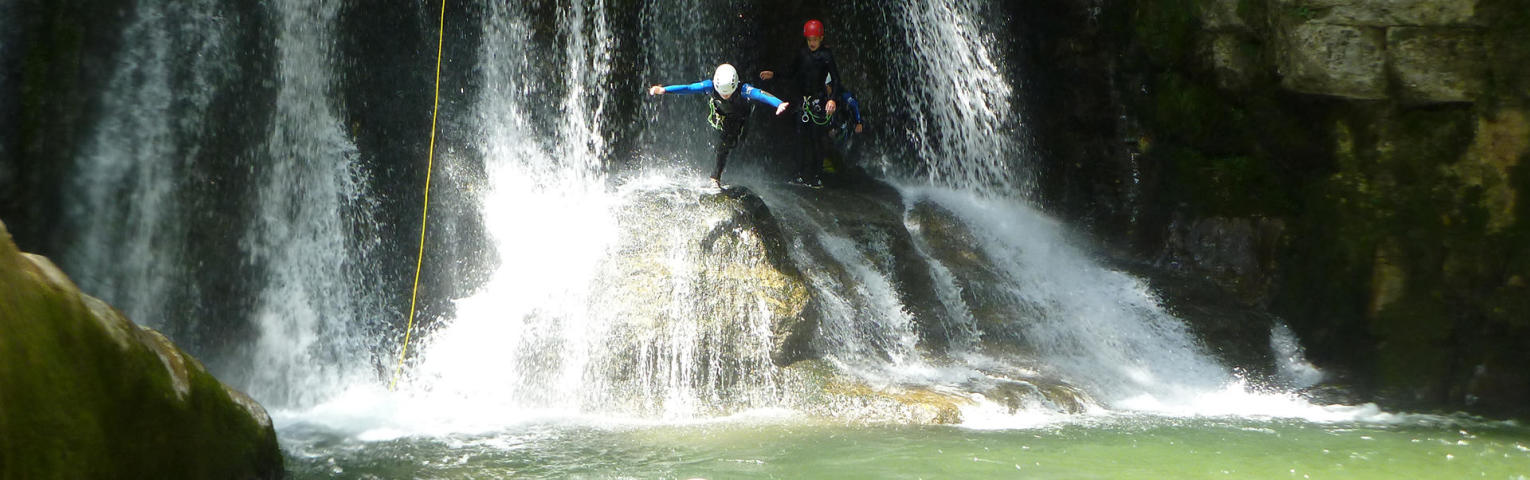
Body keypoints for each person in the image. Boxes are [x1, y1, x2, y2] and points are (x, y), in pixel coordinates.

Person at [649, 64, 791, 189]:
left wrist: (778, 103)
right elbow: (689, 88)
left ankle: (719, 173)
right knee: (722, 143)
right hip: (722, 115)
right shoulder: (709, 86)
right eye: (723, 93)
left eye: (728, 93)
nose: (725, 95)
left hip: (739, 117)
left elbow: (760, 94)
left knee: (731, 142)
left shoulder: (743, 89)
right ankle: (715, 178)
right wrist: (664, 90)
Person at [760, 19, 841, 188]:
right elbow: (791, 72)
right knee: (800, 139)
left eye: (815, 40)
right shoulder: (802, 53)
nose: (812, 43)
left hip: (819, 101)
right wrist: (774, 74)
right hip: (803, 102)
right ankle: (799, 175)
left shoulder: (826, 56)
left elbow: (836, 79)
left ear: (821, 38)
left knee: (816, 139)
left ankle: (817, 176)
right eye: (810, 39)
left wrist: (832, 98)